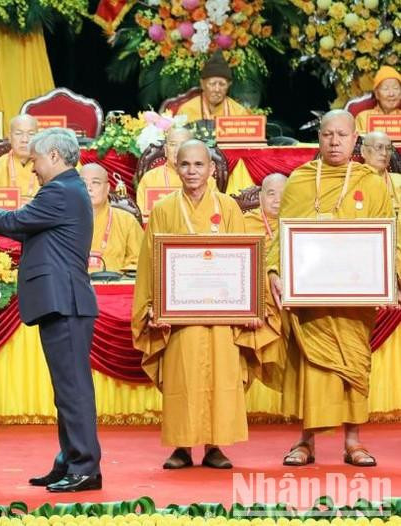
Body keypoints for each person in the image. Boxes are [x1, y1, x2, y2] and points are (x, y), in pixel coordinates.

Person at [0, 127, 102, 493]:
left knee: (74, 390)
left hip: (65, 302)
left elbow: (17, 222)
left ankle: (85, 467)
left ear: (54, 156)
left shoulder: (61, 190)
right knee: (65, 390)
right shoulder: (64, 190)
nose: (33, 167)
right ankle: (69, 461)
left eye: (35, 160)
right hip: (62, 303)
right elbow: (27, 230)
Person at [132, 139, 275, 470]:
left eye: (199, 165)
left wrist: (253, 308)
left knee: (221, 377)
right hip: (180, 315)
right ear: (174, 167)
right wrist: (153, 306)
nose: (192, 171)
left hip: (223, 313)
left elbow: (247, 260)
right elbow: (149, 263)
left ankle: (215, 446)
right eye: (185, 165)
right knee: (182, 377)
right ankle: (182, 446)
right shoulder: (165, 209)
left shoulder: (228, 208)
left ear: (212, 169)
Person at [267, 110, 394, 467]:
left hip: (354, 298)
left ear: (356, 139)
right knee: (311, 365)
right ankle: (305, 441)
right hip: (310, 299)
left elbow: (388, 233)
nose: (334, 142)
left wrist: (392, 277)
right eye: (327, 135)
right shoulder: (300, 180)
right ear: (318, 138)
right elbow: (282, 231)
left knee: (354, 363)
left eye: (342, 135)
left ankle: (353, 441)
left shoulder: (370, 183)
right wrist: (275, 269)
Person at [243, 173, 288, 392]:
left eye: (284, 194)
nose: (278, 199)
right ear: (260, 197)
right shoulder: (244, 223)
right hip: (257, 296)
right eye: (271, 194)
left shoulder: (296, 224)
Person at [136, 126, 215, 222]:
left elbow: (214, 213)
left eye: (183, 144)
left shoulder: (205, 179)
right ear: (165, 150)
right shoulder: (150, 178)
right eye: (173, 145)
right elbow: (143, 218)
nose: (177, 150)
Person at [80, 163, 142, 273]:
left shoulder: (126, 221)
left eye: (95, 182)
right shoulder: (63, 221)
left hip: (114, 286)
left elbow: (140, 261)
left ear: (108, 188)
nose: (88, 188)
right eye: (83, 183)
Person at [176, 51, 250, 122]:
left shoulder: (239, 112)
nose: (217, 89)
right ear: (202, 84)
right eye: (212, 84)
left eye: (222, 84)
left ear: (229, 85)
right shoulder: (186, 111)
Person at [0, 115, 40, 199]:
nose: (25, 140)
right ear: (9, 137)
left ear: (38, 137)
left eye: (31, 134)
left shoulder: (47, 167)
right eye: (18, 133)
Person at [361, 131, 401, 213]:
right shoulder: (352, 180)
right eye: (379, 147)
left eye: (388, 148)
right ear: (363, 151)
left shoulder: (398, 182)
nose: (384, 153)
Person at [355, 66, 401, 133]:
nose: (391, 94)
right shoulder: (363, 118)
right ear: (377, 94)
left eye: (396, 88)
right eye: (386, 89)